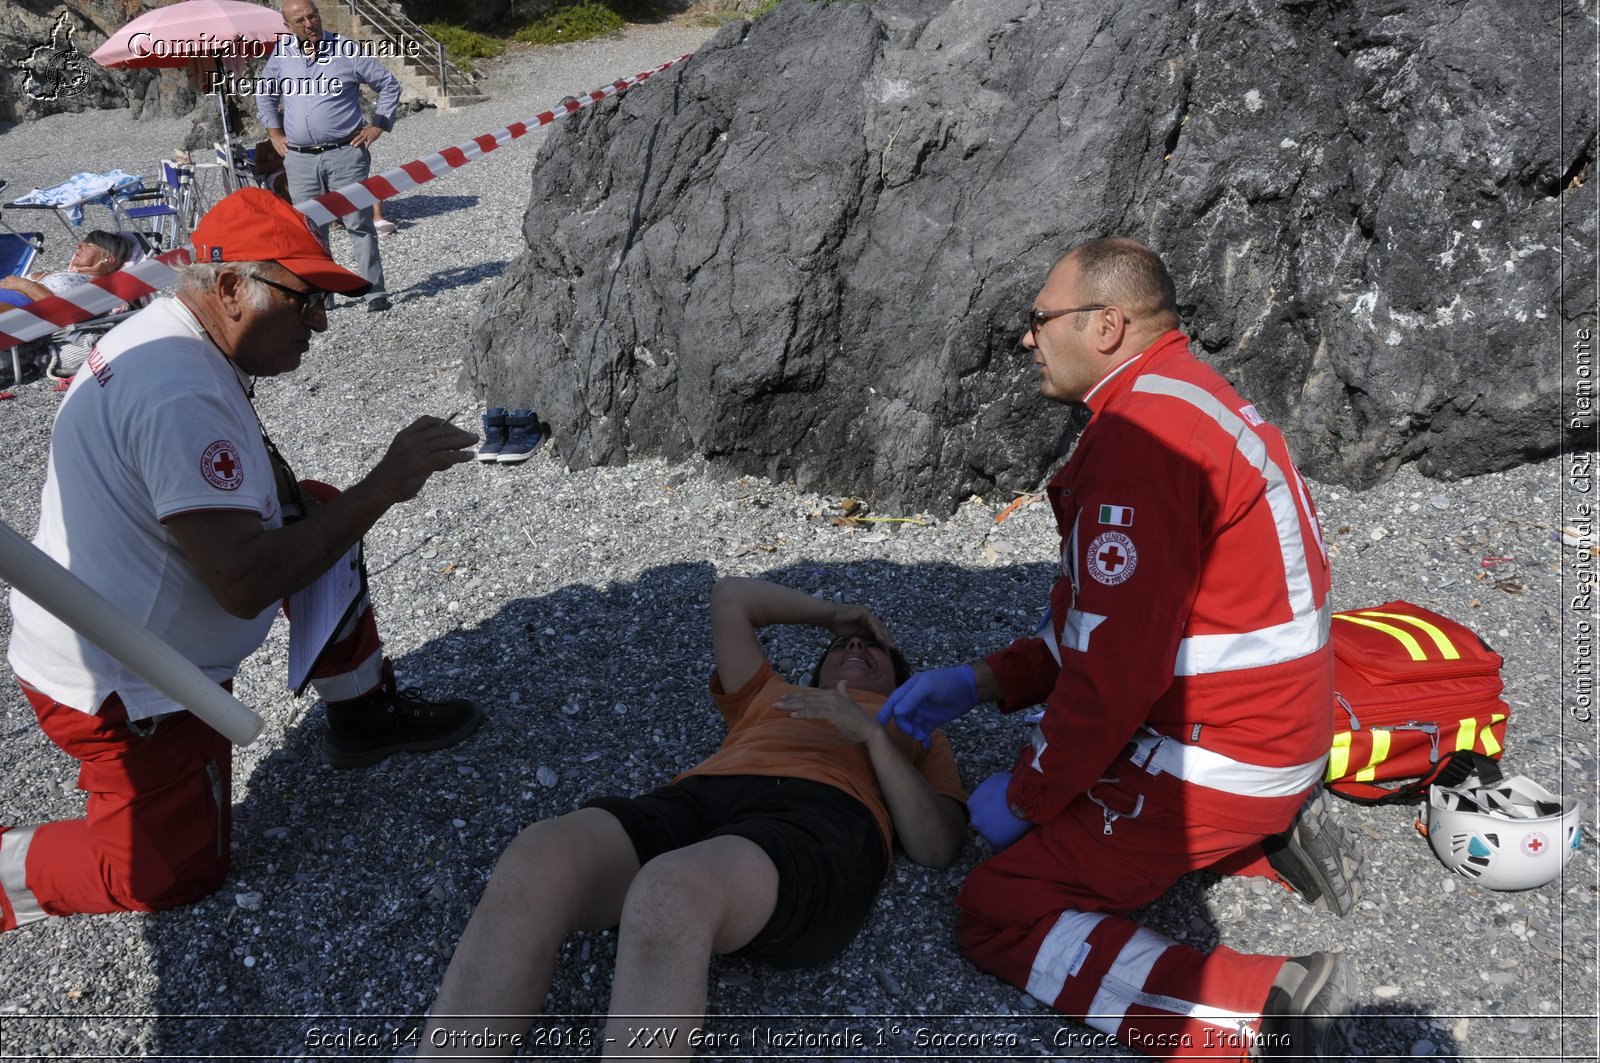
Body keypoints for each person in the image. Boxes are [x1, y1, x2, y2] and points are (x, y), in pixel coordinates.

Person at [879, 238, 1360, 1060]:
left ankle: (1263, 1006)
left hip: (1222, 757)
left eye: (1040, 319)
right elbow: (1103, 634)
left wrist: (1028, 798)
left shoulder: (1140, 446)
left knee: (997, 907)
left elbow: (1110, 681)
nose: (1028, 338)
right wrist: (982, 681)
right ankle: (1259, 841)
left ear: (1107, 324)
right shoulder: (1183, 400)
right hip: (1276, 734)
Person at [0, 188, 483, 934]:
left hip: (120, 627)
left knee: (320, 508)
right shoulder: (178, 390)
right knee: (172, 870)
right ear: (229, 288)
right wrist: (387, 482)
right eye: (305, 298)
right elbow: (244, 582)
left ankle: (362, 716)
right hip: (127, 686)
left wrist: (347, 504)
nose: (320, 320)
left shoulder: (169, 337)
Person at [417, 576, 967, 1059]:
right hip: (701, 797)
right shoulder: (771, 694)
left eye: (871, 649)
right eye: (842, 645)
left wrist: (871, 734)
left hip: (818, 819)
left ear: (899, 678)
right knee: (538, 858)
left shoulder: (913, 727)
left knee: (669, 895)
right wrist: (834, 613)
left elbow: (937, 844)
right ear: (818, 669)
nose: (854, 646)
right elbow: (730, 598)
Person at [255, 0, 399, 311]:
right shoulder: (281, 55)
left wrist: (378, 125)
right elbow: (265, 95)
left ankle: (375, 293)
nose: (309, 24)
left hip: (346, 153)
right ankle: (322, 295)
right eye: (301, 20)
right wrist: (274, 134)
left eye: (313, 16)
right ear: (287, 27)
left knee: (358, 223)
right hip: (300, 159)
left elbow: (388, 85)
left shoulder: (346, 49)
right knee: (310, 230)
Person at [0, 231, 134, 307]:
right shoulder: (73, 275)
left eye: (89, 245)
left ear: (108, 260)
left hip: (16, 307)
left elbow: (64, 311)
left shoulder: (99, 284)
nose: (78, 246)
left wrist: (27, 286)